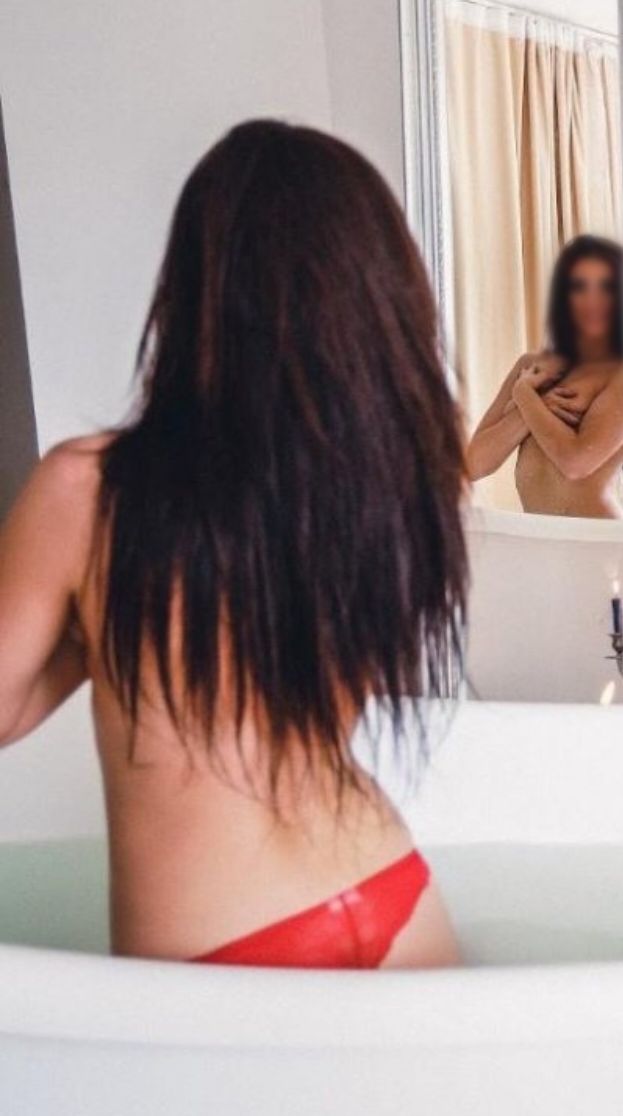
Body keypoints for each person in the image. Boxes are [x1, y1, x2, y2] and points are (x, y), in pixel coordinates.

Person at [0, 121, 467, 969]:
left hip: (228, 936)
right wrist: (107, 624)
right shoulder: (389, 488)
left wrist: (104, 618)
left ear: (196, 289)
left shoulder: (88, 489)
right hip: (391, 890)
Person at [466, 235, 623, 519]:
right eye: (579, 286)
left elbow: (576, 463)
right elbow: (473, 464)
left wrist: (524, 397)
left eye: (606, 287)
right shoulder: (531, 365)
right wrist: (528, 411)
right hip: (538, 534)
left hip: (593, 536)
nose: (592, 299)